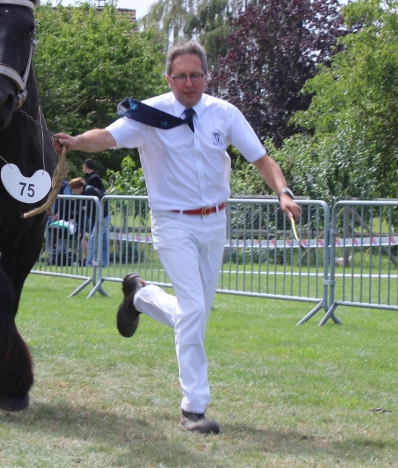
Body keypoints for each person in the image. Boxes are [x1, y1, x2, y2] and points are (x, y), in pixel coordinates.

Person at [53, 41, 300, 434]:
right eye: (181, 76)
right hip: (172, 223)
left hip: (214, 223)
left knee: (195, 313)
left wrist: (283, 193)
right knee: (196, 310)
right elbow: (107, 137)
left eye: (196, 75)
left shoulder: (224, 113)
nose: (189, 83)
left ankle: (140, 296)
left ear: (207, 76)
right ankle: (194, 408)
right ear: (169, 78)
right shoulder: (150, 116)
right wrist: (76, 142)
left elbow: (262, 159)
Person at [82, 159, 109, 267]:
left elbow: (97, 193)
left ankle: (90, 262)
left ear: (86, 166)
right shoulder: (91, 178)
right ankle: (103, 262)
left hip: (100, 212)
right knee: (103, 239)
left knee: (94, 238)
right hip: (97, 213)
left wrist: (87, 205)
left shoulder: (94, 178)